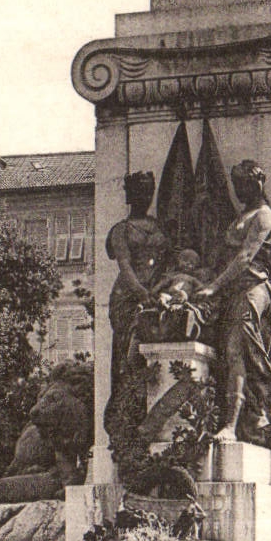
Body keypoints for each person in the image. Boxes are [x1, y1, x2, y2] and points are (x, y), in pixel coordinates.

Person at [196, 160, 271, 448]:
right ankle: (231, 421)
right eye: (235, 184)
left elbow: (244, 258)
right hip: (234, 292)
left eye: (242, 184)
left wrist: (214, 287)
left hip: (253, 290)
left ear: (256, 184)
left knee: (237, 350)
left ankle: (232, 425)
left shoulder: (264, 216)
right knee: (230, 355)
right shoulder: (243, 216)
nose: (237, 190)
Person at [104, 172, 172, 434]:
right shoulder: (121, 230)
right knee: (126, 356)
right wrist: (143, 294)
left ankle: (146, 414)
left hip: (155, 295)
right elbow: (125, 267)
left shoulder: (159, 227)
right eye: (139, 190)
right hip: (128, 298)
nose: (145, 195)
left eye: (149, 190)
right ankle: (125, 416)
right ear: (130, 194)